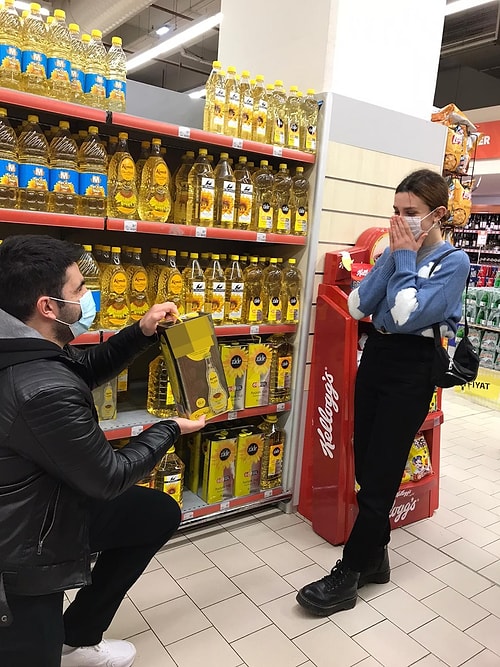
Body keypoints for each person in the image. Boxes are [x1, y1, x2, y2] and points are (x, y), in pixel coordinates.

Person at [0, 235, 205, 667]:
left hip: (42, 495)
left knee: (155, 513)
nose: (88, 297)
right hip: (22, 542)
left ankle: (79, 634)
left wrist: (141, 332)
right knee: (32, 653)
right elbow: (109, 476)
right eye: (78, 290)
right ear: (48, 307)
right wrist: (169, 428)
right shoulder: (40, 388)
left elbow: (80, 369)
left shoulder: (24, 344)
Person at [297, 169, 470, 616]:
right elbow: (357, 305)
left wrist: (404, 260)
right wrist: (396, 259)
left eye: (410, 213)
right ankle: (377, 557)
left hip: (412, 370)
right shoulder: (399, 253)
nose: (399, 222)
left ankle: (349, 573)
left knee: (383, 472)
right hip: (376, 359)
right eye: (395, 212)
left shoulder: (454, 263)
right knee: (366, 462)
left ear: (437, 215)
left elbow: (403, 310)